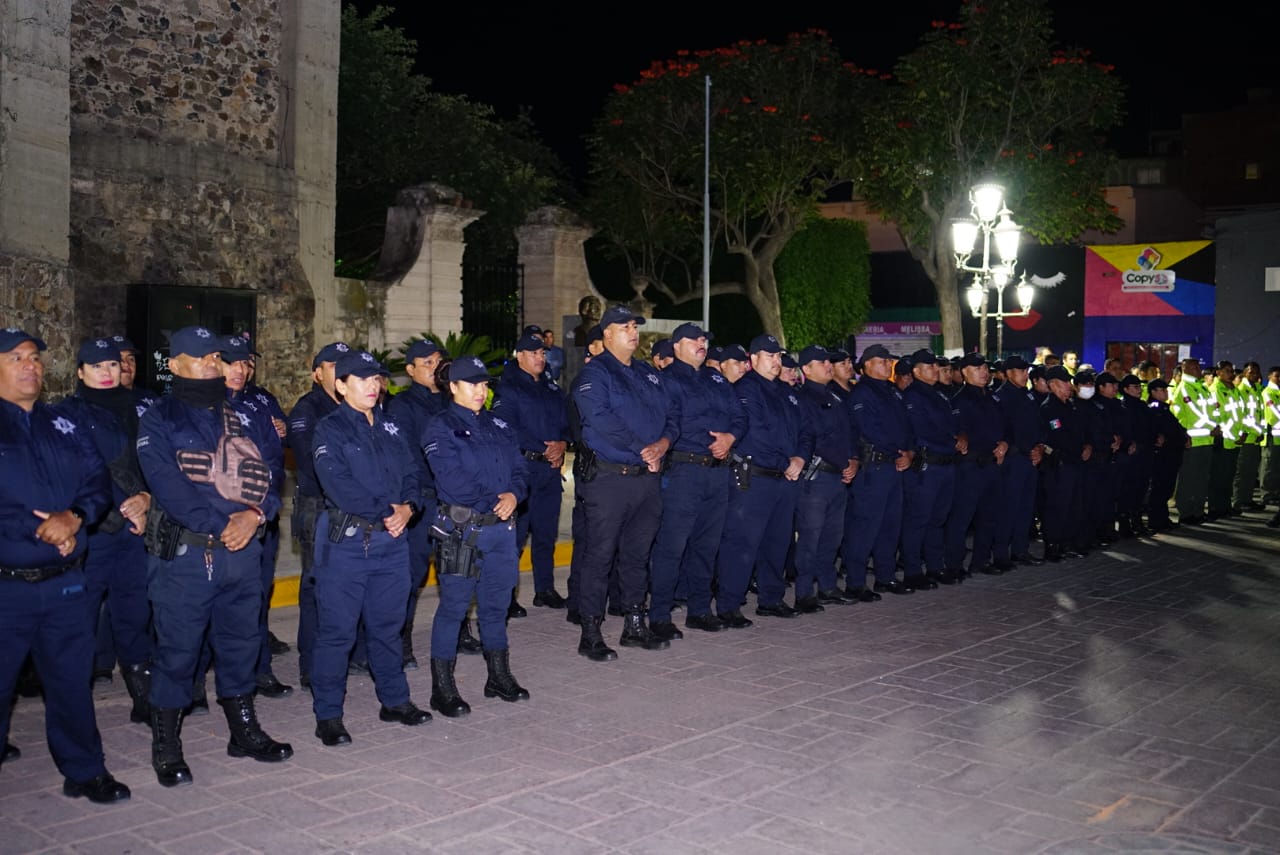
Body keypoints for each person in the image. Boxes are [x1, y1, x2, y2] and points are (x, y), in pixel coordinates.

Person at [136, 325, 292, 787]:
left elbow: (271, 473)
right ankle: (166, 744)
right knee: (178, 652)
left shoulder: (242, 415)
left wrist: (257, 515)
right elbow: (169, 487)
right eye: (201, 357)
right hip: (188, 555)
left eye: (216, 357)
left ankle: (243, 731)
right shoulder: (159, 417)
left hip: (242, 554)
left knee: (241, 644)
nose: (211, 364)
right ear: (175, 363)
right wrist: (226, 524)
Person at [0, 328, 131, 804]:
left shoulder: (63, 423)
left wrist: (73, 518)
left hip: (63, 585)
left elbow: (96, 484)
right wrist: (36, 532)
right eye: (16, 357)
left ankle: (84, 770)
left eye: (34, 357)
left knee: (71, 683)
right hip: (6, 586)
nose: (30, 365)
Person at [309, 350, 432, 745]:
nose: (373, 386)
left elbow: (414, 472)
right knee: (338, 633)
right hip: (348, 544)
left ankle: (394, 700)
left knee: (387, 628)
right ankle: (328, 713)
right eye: (362, 380)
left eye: (376, 379)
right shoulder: (329, 431)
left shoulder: (392, 426)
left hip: (391, 544)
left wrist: (409, 508)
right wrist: (387, 511)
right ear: (340, 385)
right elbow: (340, 486)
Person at [424, 355, 531, 716]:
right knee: (454, 608)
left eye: (484, 384)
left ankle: (498, 676)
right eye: (471, 384)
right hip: (464, 531)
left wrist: (515, 495)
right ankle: (443, 688)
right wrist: (493, 500)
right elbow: (451, 479)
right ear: (452, 386)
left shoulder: (499, 424)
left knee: (496, 607)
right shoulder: (439, 427)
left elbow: (519, 468)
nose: (480, 391)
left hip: (502, 531)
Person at [56, 338, 154, 725]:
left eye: (113, 365)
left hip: (134, 532)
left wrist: (147, 498)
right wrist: (112, 509)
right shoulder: (64, 414)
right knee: (79, 617)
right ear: (80, 372)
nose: (108, 372)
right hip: (90, 533)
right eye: (97, 366)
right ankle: (72, 704)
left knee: (133, 612)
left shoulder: (143, 410)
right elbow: (72, 472)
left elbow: (156, 462)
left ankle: (142, 694)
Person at [572, 305, 674, 659]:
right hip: (609, 480)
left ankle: (634, 624)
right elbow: (599, 418)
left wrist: (662, 445)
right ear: (607, 335)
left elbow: (672, 415)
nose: (633, 332)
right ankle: (590, 632)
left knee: (637, 555)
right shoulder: (594, 374)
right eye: (625, 326)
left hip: (646, 480)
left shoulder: (648, 373)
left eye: (635, 326)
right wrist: (641, 447)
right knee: (599, 556)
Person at [649, 322, 746, 633]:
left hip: (717, 473)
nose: (702, 343)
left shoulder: (716, 377)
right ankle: (660, 615)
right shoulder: (666, 380)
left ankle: (700, 610)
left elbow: (739, 416)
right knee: (672, 545)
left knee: (707, 545)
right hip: (684, 471)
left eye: (705, 339)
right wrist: (710, 442)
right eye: (695, 339)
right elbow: (667, 422)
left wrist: (730, 438)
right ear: (677, 346)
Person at [715, 334, 811, 622]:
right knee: (742, 544)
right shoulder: (745, 390)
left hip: (783, 479)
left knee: (778, 542)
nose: (776, 361)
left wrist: (800, 458)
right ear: (753, 359)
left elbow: (806, 430)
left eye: (779, 356)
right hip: (754, 478)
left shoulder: (787, 392)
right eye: (770, 356)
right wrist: (787, 461)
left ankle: (771, 598)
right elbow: (755, 433)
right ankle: (729, 606)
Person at [220, 335, 291, 700]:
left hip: (261, 517)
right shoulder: (201, 405)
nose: (241, 369)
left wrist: (261, 509)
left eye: (246, 362)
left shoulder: (262, 402)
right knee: (210, 603)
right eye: (232, 362)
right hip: (217, 522)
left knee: (257, 597)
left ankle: (259, 670)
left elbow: (274, 462)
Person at [491, 332, 570, 610]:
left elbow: (566, 423)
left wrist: (562, 444)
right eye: (534, 353)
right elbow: (504, 427)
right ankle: (508, 597)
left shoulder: (551, 388)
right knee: (515, 537)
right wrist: (542, 447)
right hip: (522, 469)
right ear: (520, 355)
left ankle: (545, 589)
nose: (540, 357)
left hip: (549, 470)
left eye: (542, 353)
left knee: (546, 534)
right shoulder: (508, 388)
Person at [384, 338, 449, 668]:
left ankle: (457, 631)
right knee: (411, 576)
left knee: (455, 570)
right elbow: (406, 457)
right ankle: (401, 640)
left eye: (438, 361)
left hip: (453, 500)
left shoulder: (453, 400)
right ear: (410, 370)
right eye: (427, 363)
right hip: (423, 500)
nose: (435, 367)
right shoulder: (402, 406)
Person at [285, 341, 347, 687]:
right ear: (317, 372)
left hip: (352, 509)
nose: (341, 370)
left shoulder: (358, 405)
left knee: (348, 587)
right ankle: (311, 664)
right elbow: (312, 465)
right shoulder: (307, 410)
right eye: (333, 364)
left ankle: (346, 656)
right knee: (316, 587)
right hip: (319, 508)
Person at [843, 344, 914, 596]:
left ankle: (885, 576)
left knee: (890, 525)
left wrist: (909, 451)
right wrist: (899, 451)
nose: (887, 365)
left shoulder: (892, 392)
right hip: (874, 466)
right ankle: (856, 582)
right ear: (867, 365)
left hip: (894, 465)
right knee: (866, 525)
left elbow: (906, 427)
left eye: (888, 362)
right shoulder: (862, 394)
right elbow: (870, 429)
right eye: (882, 362)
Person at [793, 345, 859, 606]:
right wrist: (844, 461)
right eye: (821, 362)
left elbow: (849, 434)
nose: (828, 365)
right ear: (806, 369)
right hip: (817, 477)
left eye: (828, 361)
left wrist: (853, 460)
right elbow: (815, 437)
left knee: (832, 535)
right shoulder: (803, 397)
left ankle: (828, 586)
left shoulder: (836, 397)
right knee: (811, 535)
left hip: (837, 476)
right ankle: (804, 592)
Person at [900, 349, 965, 586]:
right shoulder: (913, 396)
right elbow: (922, 430)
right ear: (916, 371)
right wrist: (951, 441)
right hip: (927, 465)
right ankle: (913, 571)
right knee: (918, 518)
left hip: (945, 463)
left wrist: (958, 437)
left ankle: (935, 566)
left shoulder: (938, 394)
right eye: (929, 366)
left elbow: (951, 425)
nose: (935, 369)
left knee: (937, 519)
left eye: (935, 365)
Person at [945, 353, 1008, 576]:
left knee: (990, 516)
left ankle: (981, 560)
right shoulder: (959, 400)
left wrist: (1004, 444)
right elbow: (956, 431)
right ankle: (954, 565)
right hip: (970, 466)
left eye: (985, 367)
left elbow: (1002, 428)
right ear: (964, 372)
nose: (984, 372)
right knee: (962, 517)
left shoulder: (993, 398)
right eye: (977, 368)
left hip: (992, 465)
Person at [990, 356, 1045, 566]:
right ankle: (1001, 553)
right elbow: (1002, 430)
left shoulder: (1028, 396)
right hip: (1013, 459)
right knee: (1008, 507)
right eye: (1021, 371)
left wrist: (1039, 447)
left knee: (1025, 508)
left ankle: (1020, 550)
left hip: (1030, 459)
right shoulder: (1001, 397)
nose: (1025, 375)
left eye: (1026, 371)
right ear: (1009, 373)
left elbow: (1039, 427)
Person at [1039, 366, 1092, 561]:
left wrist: (1086, 445)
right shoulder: (1049, 408)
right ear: (1053, 385)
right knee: (1057, 505)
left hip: (1075, 461)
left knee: (1073, 505)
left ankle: (1067, 542)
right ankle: (1052, 545)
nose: (1069, 386)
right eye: (1064, 383)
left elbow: (1080, 432)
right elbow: (1059, 436)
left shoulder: (1070, 406)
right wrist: (1078, 449)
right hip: (1059, 463)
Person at [1169, 359, 1216, 525]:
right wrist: (1212, 427)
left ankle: (1198, 510)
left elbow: (1213, 410)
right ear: (1184, 368)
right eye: (1193, 366)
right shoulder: (1184, 388)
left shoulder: (1202, 387)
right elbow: (1195, 412)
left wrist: (1216, 425)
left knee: (1202, 479)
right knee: (1188, 479)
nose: (1198, 369)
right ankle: (1186, 512)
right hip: (1192, 440)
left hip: (1207, 440)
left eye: (1198, 366)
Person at [1146, 378, 1187, 532]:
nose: (1166, 392)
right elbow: (1163, 432)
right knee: (1160, 488)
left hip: (1172, 454)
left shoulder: (1164, 408)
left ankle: (1162, 518)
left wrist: (1184, 436)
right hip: (1163, 455)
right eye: (1162, 390)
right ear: (1153, 392)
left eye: (1165, 389)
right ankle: (1156, 520)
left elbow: (1176, 427)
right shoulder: (1154, 409)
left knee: (1166, 488)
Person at [1232, 361, 1265, 512]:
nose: (1254, 375)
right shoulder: (1241, 390)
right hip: (1246, 437)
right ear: (1244, 373)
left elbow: (1260, 414)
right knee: (1242, 472)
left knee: (1251, 472)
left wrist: (1261, 431)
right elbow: (1242, 416)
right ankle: (1239, 500)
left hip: (1256, 437)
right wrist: (1253, 431)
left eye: (1256, 372)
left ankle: (1248, 499)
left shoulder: (1257, 389)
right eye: (1251, 372)